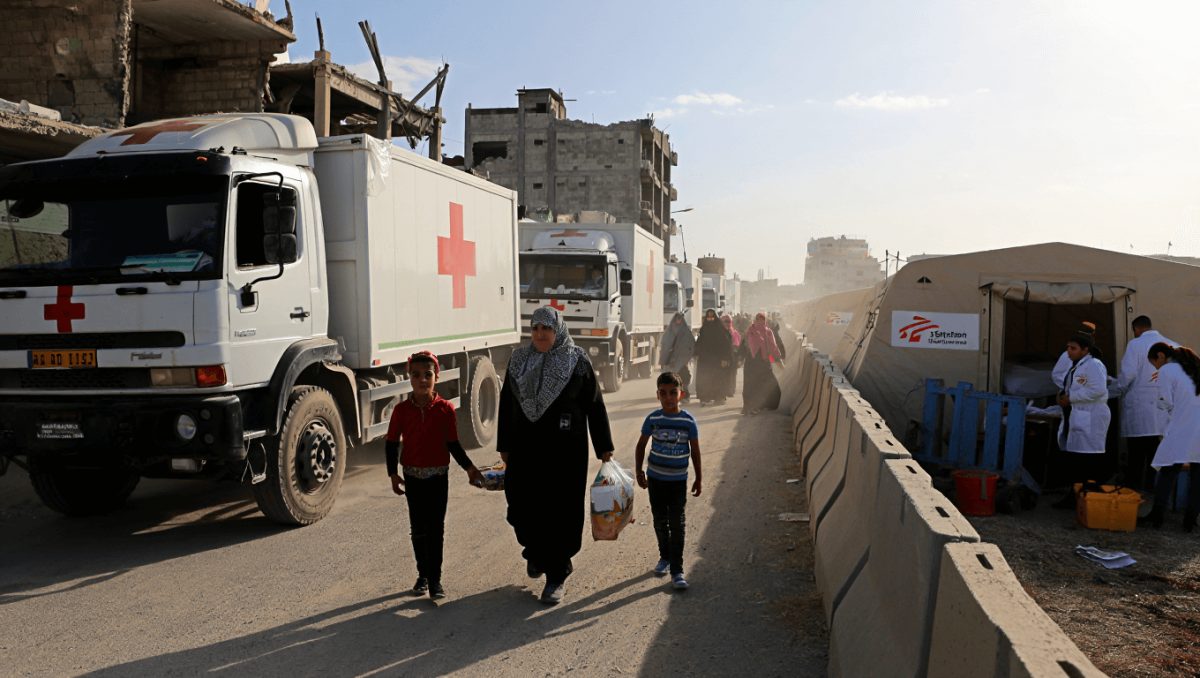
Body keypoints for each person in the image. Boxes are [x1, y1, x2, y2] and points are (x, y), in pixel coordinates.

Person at [497, 306, 615, 605]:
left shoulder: (577, 361)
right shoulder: (519, 360)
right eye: (535, 328)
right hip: (526, 451)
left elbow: (594, 404)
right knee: (521, 506)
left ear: (557, 330)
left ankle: (557, 575)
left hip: (565, 453)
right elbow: (507, 404)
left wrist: (603, 444)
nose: (539, 334)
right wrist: (505, 445)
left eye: (546, 329)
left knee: (559, 512)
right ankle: (535, 553)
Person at [385, 351, 485, 600]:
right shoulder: (401, 411)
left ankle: (436, 581)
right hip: (412, 478)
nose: (422, 380)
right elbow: (391, 444)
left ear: (436, 377)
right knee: (418, 529)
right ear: (409, 378)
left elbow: (453, 444)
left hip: (438, 479)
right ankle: (423, 575)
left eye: (427, 375)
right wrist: (393, 475)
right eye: (416, 375)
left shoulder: (445, 409)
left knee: (435, 529)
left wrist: (470, 469)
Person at [634, 372, 703, 590]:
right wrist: (639, 472)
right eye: (663, 393)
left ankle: (677, 570)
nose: (668, 398)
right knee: (659, 520)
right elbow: (641, 445)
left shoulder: (688, 421)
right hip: (655, 480)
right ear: (658, 395)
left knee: (677, 523)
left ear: (681, 394)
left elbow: (695, 451)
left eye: (673, 393)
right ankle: (664, 557)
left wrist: (699, 478)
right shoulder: (653, 419)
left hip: (677, 482)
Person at [1109, 316, 1176, 490]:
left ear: (1136, 329)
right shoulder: (1172, 345)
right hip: (1163, 404)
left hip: (1140, 404)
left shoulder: (1135, 344)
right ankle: (1152, 484)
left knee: (1137, 449)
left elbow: (1128, 374)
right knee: (1155, 445)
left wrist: (1117, 389)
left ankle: (1133, 484)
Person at [1144, 342, 1200, 531]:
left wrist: (1163, 431)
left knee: (1168, 471)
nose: (1156, 368)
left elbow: (1164, 403)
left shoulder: (1168, 370)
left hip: (1182, 426)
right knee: (1197, 477)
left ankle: (1157, 516)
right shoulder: (1194, 368)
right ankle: (1190, 521)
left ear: (1160, 356)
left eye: (1155, 363)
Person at [1052, 332, 1111, 508]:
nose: (1069, 352)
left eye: (1073, 348)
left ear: (1085, 350)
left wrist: (1071, 398)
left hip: (1091, 416)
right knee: (1077, 459)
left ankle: (1087, 498)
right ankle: (1075, 496)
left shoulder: (1094, 365)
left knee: (1087, 460)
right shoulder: (1077, 366)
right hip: (1080, 416)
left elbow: (1098, 390)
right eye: (1068, 348)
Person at [739, 312, 784, 415]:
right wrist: (739, 358)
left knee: (768, 384)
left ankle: (763, 405)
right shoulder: (750, 331)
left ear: (765, 320)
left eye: (762, 319)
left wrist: (778, 358)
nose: (760, 321)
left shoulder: (768, 332)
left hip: (763, 362)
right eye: (758, 319)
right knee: (750, 385)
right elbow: (744, 345)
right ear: (755, 320)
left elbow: (773, 346)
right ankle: (749, 407)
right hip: (751, 362)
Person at [694, 308, 734, 405]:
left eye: (712, 317)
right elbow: (699, 343)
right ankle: (705, 398)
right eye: (708, 317)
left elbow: (726, 345)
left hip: (718, 360)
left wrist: (725, 358)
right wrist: (696, 353)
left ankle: (719, 397)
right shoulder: (704, 329)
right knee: (704, 379)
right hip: (705, 360)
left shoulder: (721, 330)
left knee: (718, 379)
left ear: (715, 318)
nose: (710, 319)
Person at [660, 311, 696, 397]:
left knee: (684, 377)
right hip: (670, 360)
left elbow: (691, 344)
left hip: (682, 360)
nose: (678, 321)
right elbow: (664, 345)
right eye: (677, 319)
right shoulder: (669, 332)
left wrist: (689, 356)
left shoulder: (686, 331)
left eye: (680, 319)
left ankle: (685, 395)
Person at [720, 313, 742, 397]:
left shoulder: (734, 333)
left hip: (733, 356)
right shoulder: (719, 332)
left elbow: (737, 345)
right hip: (723, 356)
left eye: (729, 321)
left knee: (732, 374)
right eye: (725, 321)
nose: (727, 323)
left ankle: (731, 390)